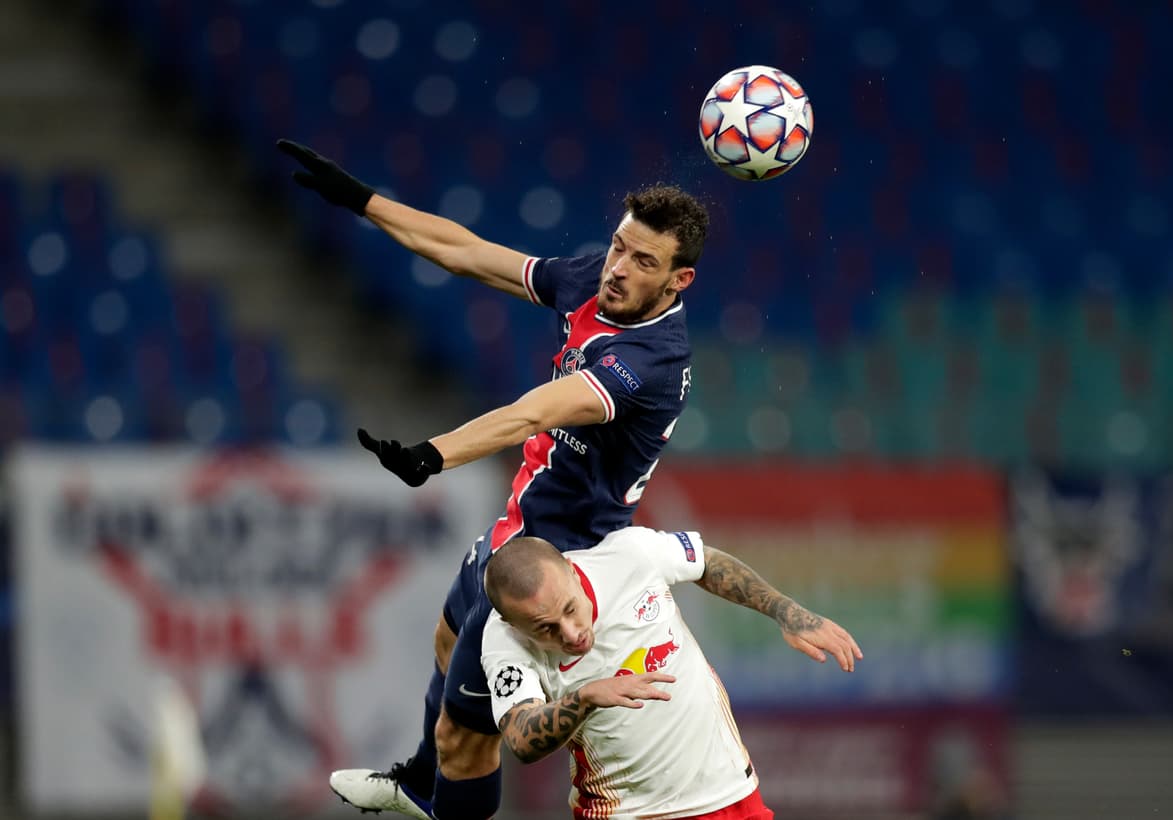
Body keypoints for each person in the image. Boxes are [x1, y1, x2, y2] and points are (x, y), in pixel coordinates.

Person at [277, 139, 708, 820]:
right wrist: (360, 199)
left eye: (643, 261)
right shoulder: (597, 279)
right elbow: (469, 252)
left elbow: (532, 411)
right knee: (449, 643)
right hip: (520, 529)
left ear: (678, 281)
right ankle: (420, 784)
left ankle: (436, 787)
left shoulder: (649, 364)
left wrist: (432, 454)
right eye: (620, 247)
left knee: (466, 739)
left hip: (559, 560)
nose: (619, 268)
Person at [481, 526, 862, 819]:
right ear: (513, 624)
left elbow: (705, 561)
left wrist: (786, 612)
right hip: (626, 812)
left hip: (729, 795)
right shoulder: (503, 641)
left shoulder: (628, 554)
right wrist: (584, 698)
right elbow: (520, 736)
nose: (571, 633)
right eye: (545, 628)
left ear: (573, 571)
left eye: (569, 609)